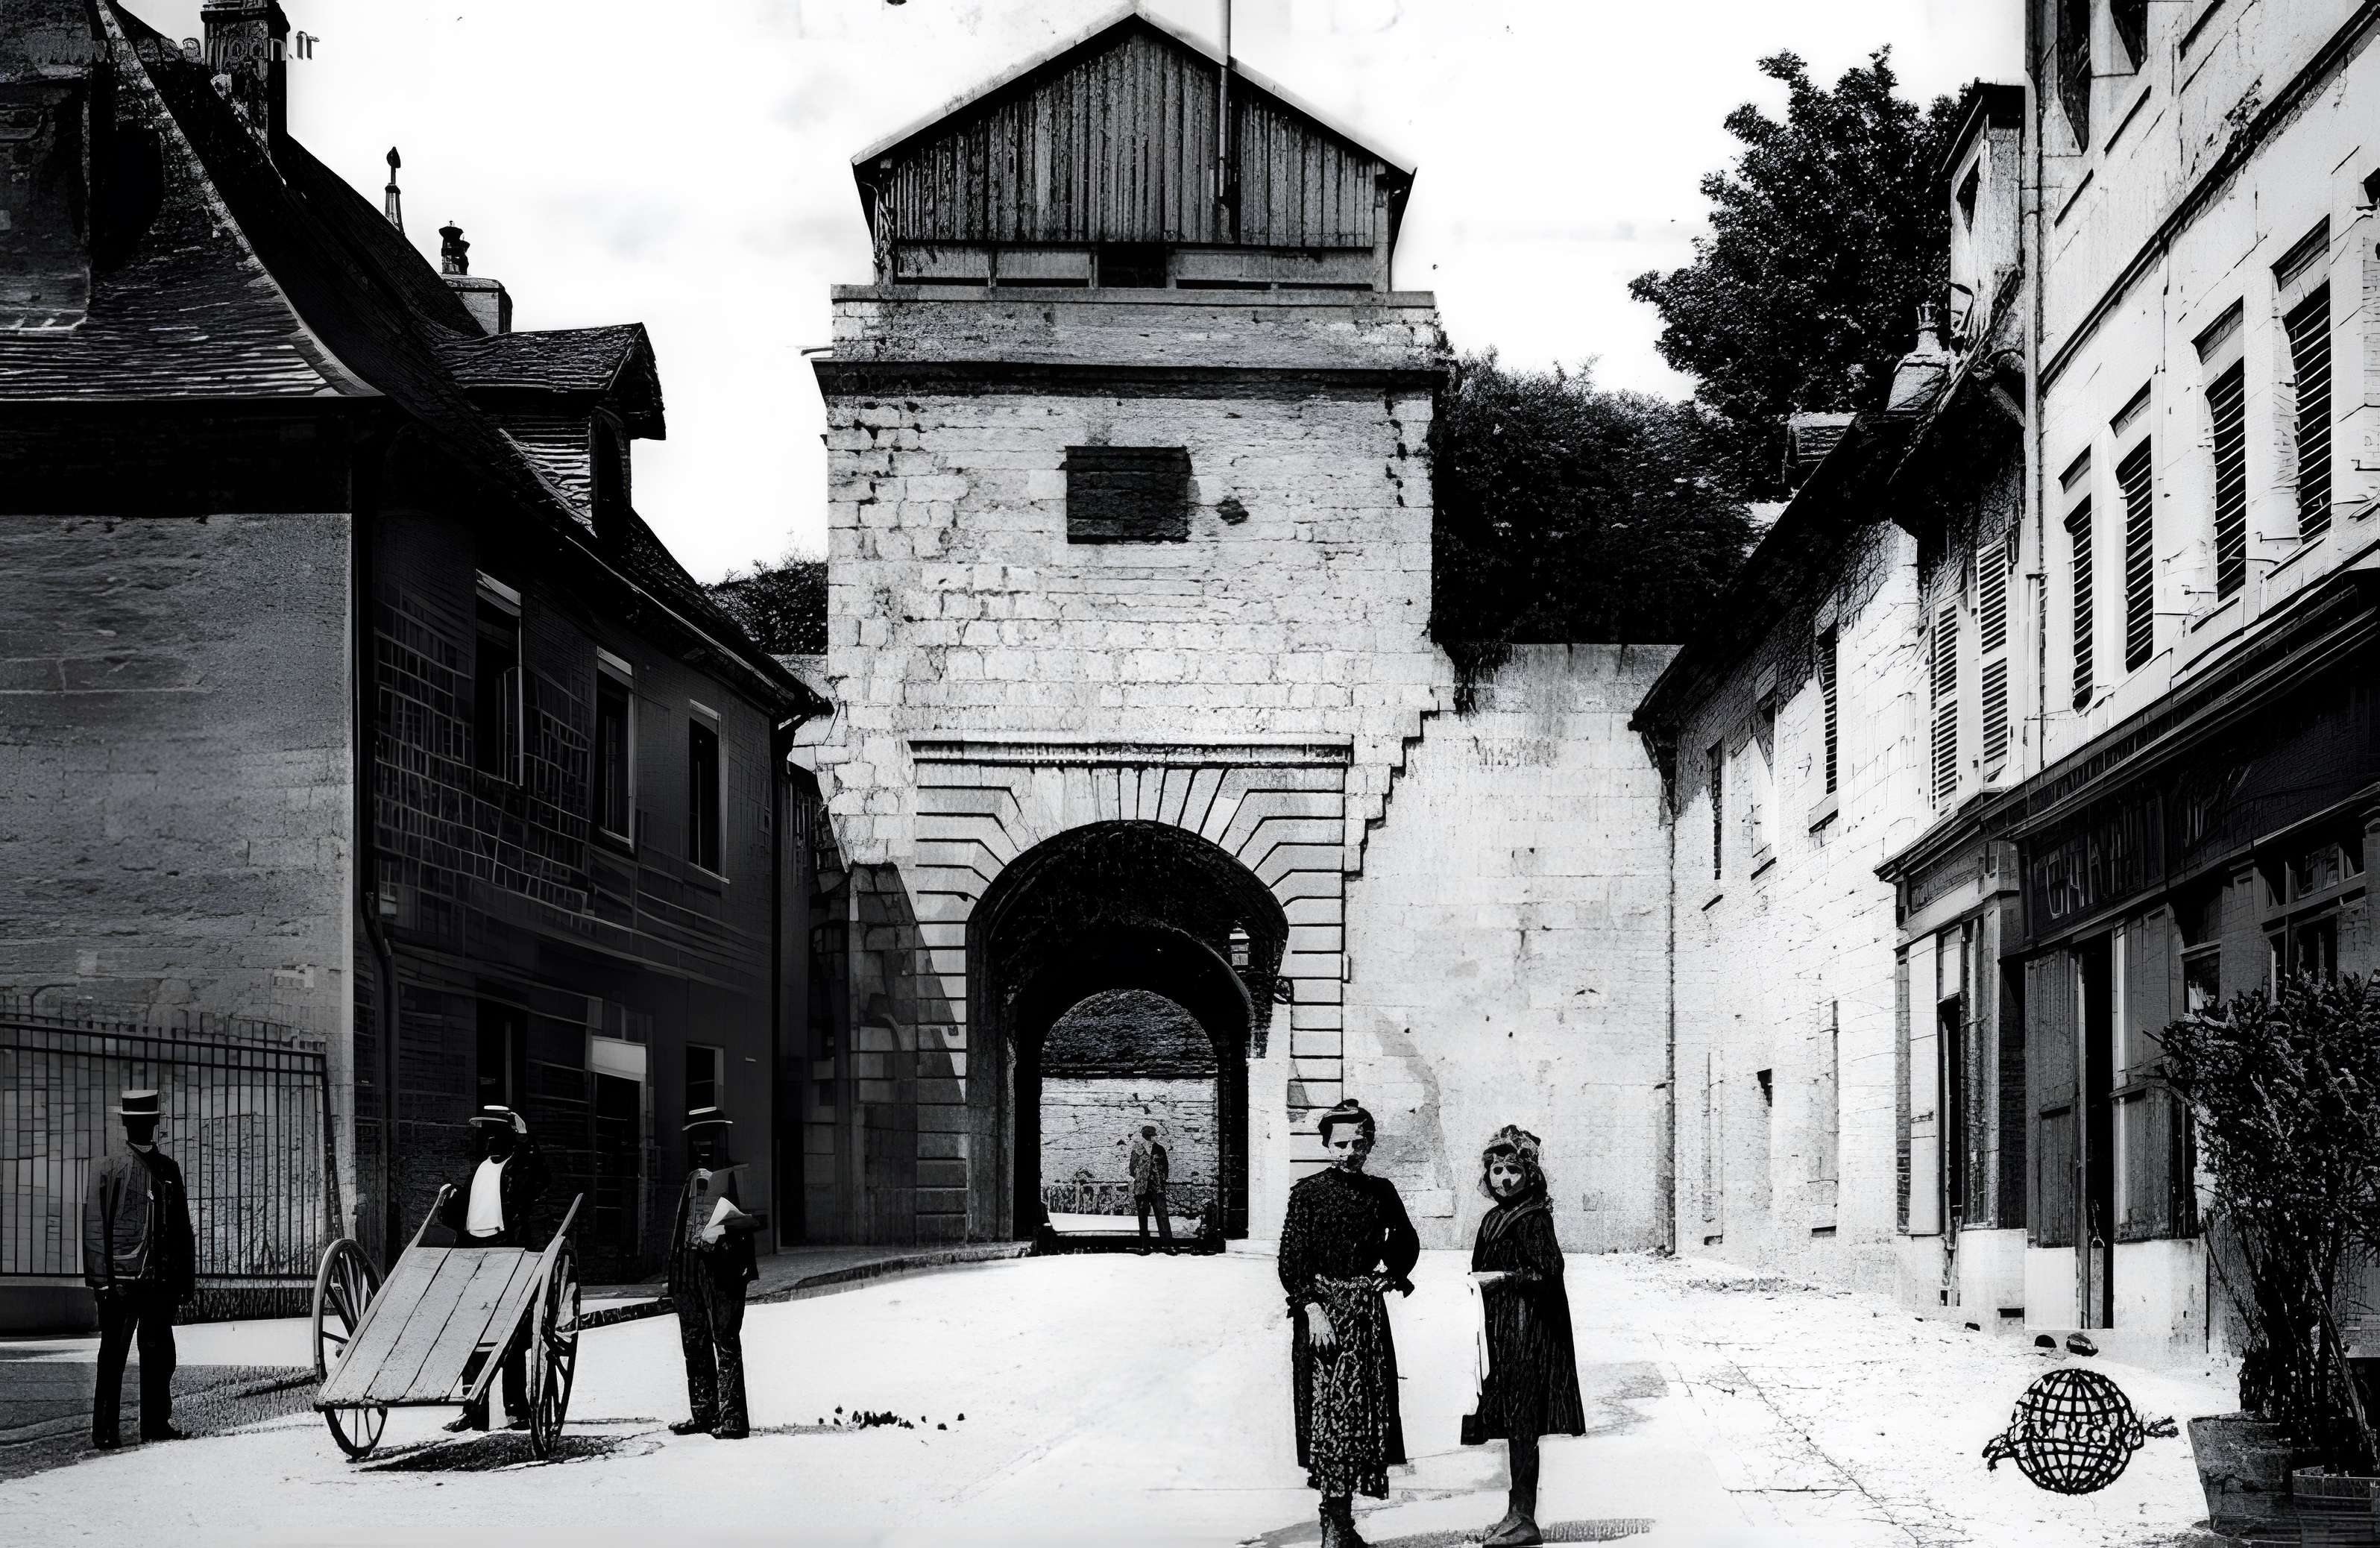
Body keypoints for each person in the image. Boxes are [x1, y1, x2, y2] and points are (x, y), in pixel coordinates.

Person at [1278, 1098, 1420, 1548]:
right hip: (1322, 1319)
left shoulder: (1382, 1191)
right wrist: (1312, 1307)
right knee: (1328, 1418)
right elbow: (1290, 1261)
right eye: (1341, 1143)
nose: (1351, 1151)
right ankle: (1333, 1523)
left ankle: (1343, 1522)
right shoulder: (1307, 1193)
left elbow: (1407, 1240)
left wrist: (1391, 1275)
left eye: (1360, 1142)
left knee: (1363, 1417)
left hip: (1366, 1318)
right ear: (1326, 1144)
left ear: (1370, 1144)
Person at [1461, 1125, 1587, 1547]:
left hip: (1528, 1331)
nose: (1505, 1179)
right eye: (1497, 1170)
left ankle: (1523, 1517)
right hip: (1500, 1330)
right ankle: (1514, 1513)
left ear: (1529, 1175)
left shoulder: (1532, 1217)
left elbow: (1550, 1271)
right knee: (1510, 1420)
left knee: (1524, 1422)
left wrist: (1503, 1279)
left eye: (1514, 1170)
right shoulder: (1493, 1217)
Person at [83, 1089, 196, 1450]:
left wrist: (185, 1281)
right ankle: (105, 1430)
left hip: (160, 1282)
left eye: (146, 1122)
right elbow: (94, 1226)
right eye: (134, 1122)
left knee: (160, 1355)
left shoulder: (169, 1169)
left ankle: (155, 1424)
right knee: (112, 1356)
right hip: (120, 1283)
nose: (140, 1128)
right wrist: (101, 1281)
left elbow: (182, 1228)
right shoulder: (107, 1168)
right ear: (126, 1125)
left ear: (154, 1125)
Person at [438, 1105, 549, 1432]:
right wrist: (452, 1197)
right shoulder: (478, 1172)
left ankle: (516, 1408)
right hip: (474, 1253)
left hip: (507, 1250)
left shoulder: (520, 1167)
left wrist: (527, 1139)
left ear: (508, 1137)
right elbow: (463, 1213)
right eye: (485, 1135)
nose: (489, 1141)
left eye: (495, 1134)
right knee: (472, 1332)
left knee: (509, 1334)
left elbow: (541, 1178)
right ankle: (473, 1409)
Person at [669, 1106, 761, 1441]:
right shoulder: (691, 1177)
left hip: (723, 1268)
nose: (702, 1145)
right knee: (694, 1343)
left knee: (725, 1342)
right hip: (689, 1270)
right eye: (696, 1139)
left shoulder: (736, 1173)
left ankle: (734, 1421)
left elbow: (756, 1218)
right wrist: (675, 1274)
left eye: (709, 1137)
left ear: (722, 1137)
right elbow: (682, 1227)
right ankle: (704, 1414)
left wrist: (725, 1230)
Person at [1128, 1124, 1172, 1252]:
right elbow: (1132, 1169)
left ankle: (1167, 1245)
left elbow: (1166, 1167)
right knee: (1143, 1217)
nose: (1151, 1138)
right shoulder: (1137, 1149)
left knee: (1162, 1215)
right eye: (1149, 1136)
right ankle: (1145, 1246)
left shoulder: (1160, 1149)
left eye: (1152, 1136)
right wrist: (1141, 1176)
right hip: (1142, 1189)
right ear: (1145, 1136)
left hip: (1157, 1187)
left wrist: (1161, 1179)